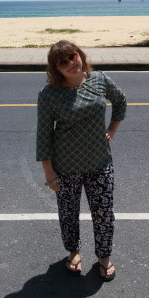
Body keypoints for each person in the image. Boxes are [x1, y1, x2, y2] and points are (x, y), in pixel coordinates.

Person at [36, 40, 127, 281]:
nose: (70, 63)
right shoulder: (49, 94)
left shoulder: (99, 80)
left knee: (104, 213)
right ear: (56, 69)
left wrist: (112, 129)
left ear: (80, 55)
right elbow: (44, 135)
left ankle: (104, 256)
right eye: (62, 62)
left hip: (100, 162)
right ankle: (74, 252)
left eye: (72, 56)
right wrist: (49, 172)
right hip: (66, 167)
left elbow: (120, 101)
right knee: (68, 213)